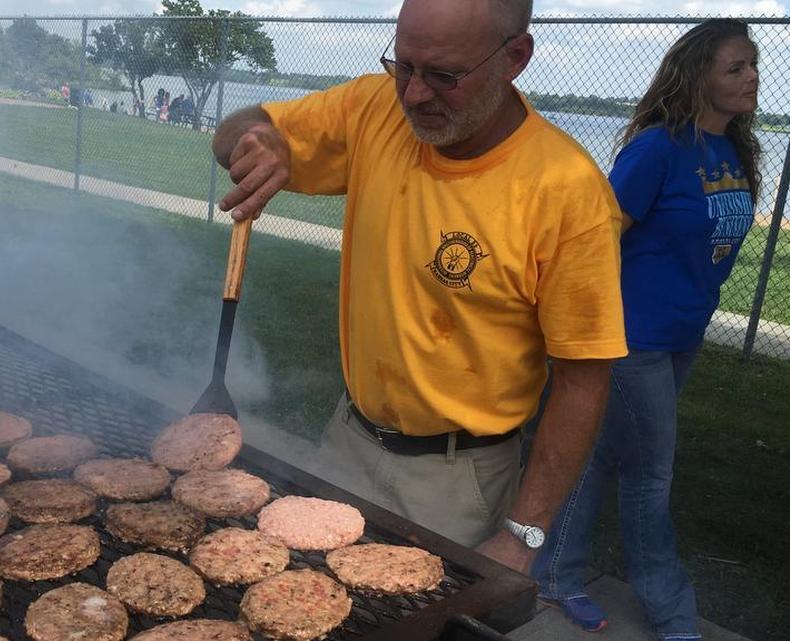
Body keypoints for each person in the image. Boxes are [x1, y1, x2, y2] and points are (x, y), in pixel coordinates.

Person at [211, 0, 627, 571]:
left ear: (516, 58)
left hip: (458, 480)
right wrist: (264, 138)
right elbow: (234, 129)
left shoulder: (568, 193)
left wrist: (522, 535)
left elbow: (584, 381)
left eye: (444, 76)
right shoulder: (371, 107)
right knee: (302, 604)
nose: (413, 95)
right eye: (403, 66)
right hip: (348, 438)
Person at [531, 19, 760, 638]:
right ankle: (673, 613)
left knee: (602, 456)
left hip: (682, 336)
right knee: (650, 476)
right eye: (735, 67)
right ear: (698, 75)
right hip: (633, 339)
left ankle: (552, 576)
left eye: (753, 64)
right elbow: (599, 237)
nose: (752, 77)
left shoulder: (733, 151)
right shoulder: (658, 148)